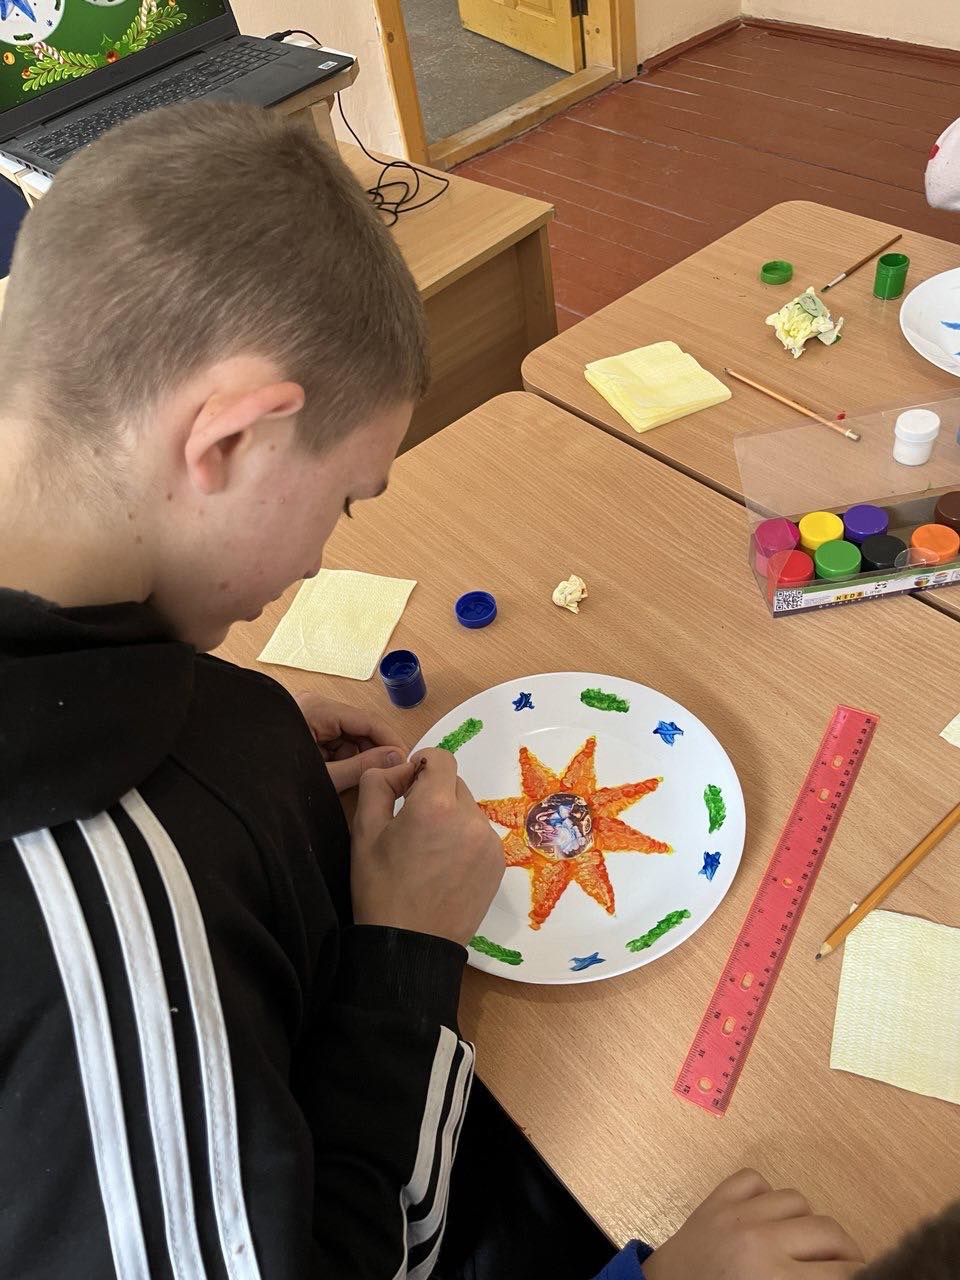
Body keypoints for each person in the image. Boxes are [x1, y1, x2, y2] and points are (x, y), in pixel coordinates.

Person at [0, 100, 869, 1280]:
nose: (321, 556)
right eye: (347, 499)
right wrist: (409, 952)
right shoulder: (96, 927)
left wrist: (240, 754)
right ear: (232, 439)